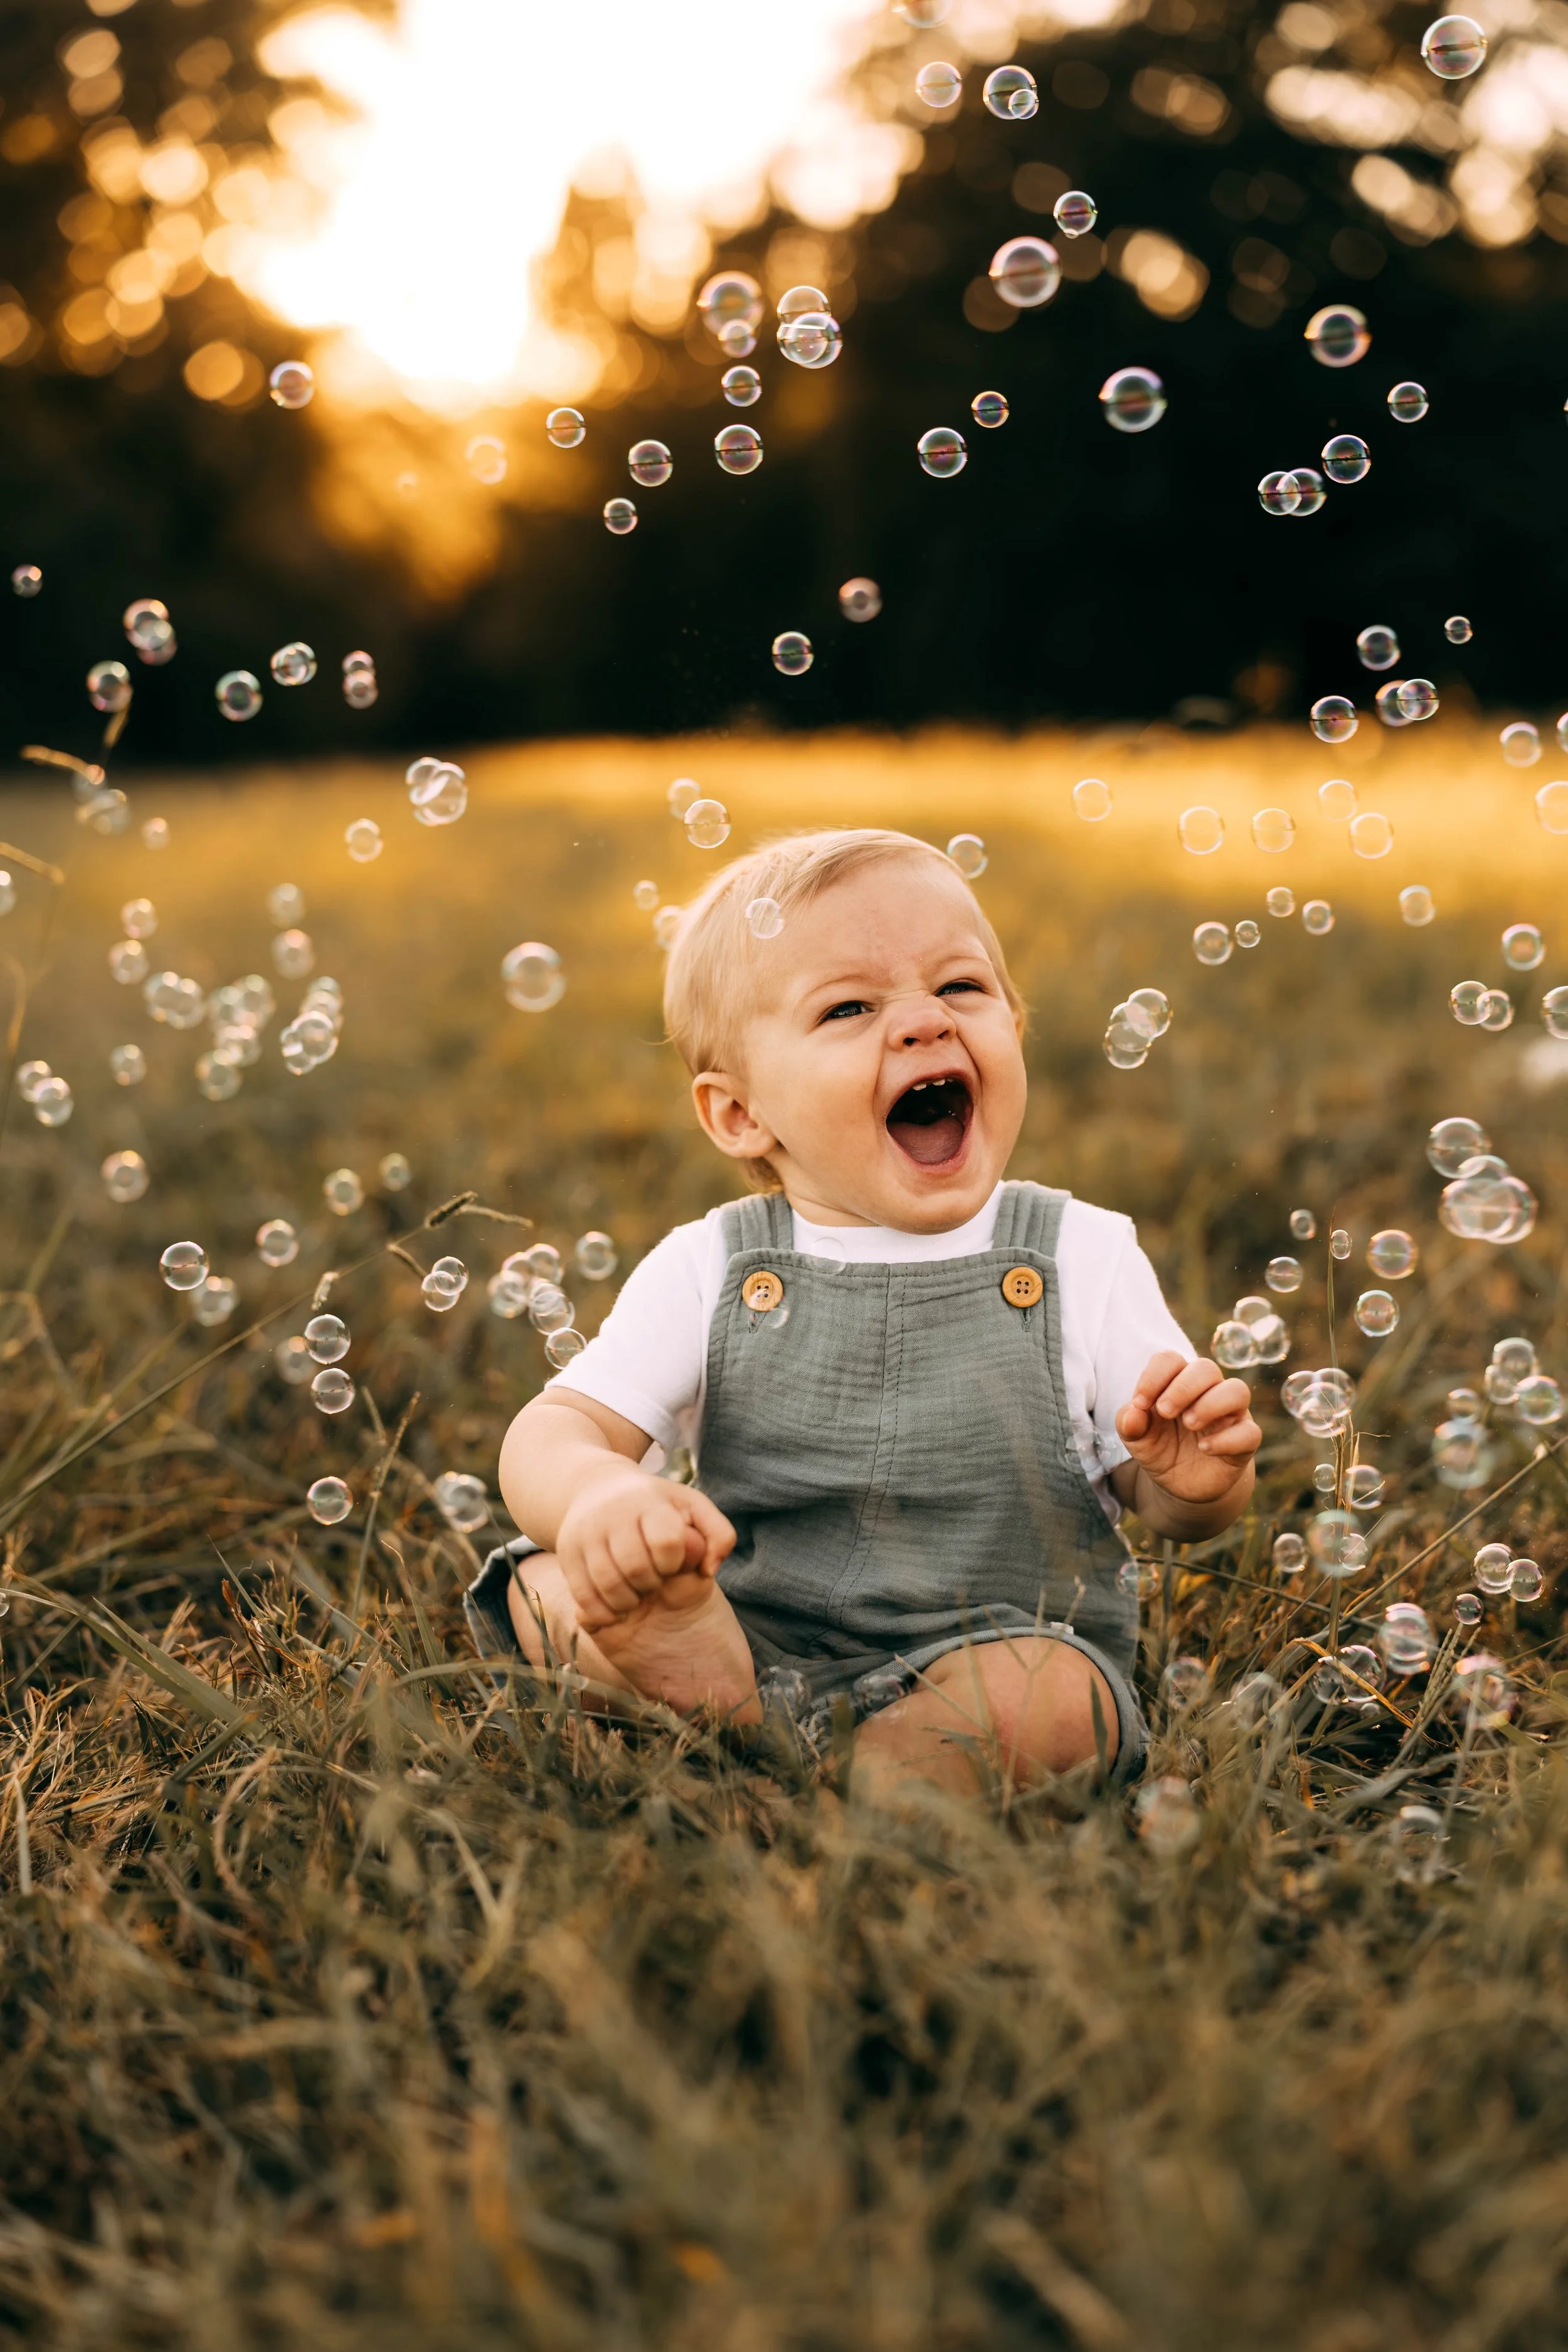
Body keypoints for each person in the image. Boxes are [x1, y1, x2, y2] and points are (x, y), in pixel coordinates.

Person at [470, 828, 1260, 1794]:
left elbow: (1172, 1505)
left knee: (1057, 1700)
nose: (926, 1021)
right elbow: (556, 1429)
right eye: (849, 1006)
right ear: (739, 1113)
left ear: (1015, 1026)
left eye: (962, 988)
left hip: (1004, 1642)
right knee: (546, 1585)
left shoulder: (1081, 1254)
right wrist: (601, 1497)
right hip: (749, 1621)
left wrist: (1196, 1479)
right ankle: (728, 1687)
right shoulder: (713, 1264)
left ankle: (829, 1762)